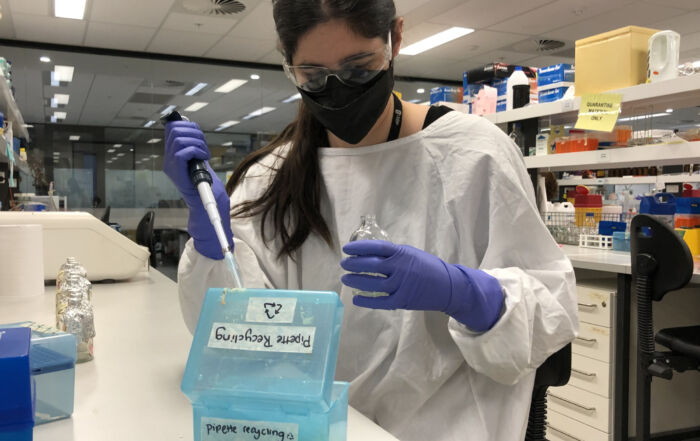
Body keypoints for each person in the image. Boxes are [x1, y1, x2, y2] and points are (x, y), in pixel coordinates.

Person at [165, 1, 578, 439]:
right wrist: (212, 241)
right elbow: (236, 340)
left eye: (359, 68)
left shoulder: (474, 155)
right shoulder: (270, 177)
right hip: (311, 428)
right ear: (289, 66)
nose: (338, 90)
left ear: (395, 39)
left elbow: (548, 312)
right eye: (314, 76)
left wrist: (466, 292)